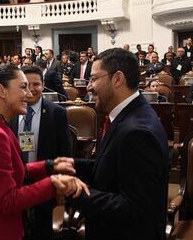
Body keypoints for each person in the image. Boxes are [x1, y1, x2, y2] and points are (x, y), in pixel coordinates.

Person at [0, 65, 89, 240]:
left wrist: (49, 166)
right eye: (23, 87)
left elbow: (14, 170)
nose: (29, 94)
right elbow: (8, 200)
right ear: (1, 90)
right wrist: (54, 183)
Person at [70, 48, 169, 239]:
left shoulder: (137, 132)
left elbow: (133, 208)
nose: (89, 87)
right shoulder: (126, 116)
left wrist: (75, 193)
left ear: (117, 79)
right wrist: (69, 166)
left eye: (94, 79)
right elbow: (112, 167)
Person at [9, 65, 73, 239]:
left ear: (43, 85)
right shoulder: (11, 112)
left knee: (43, 230)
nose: (31, 89)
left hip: (46, 183)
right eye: (25, 85)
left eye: (36, 84)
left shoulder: (56, 113)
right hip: (16, 185)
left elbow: (65, 151)